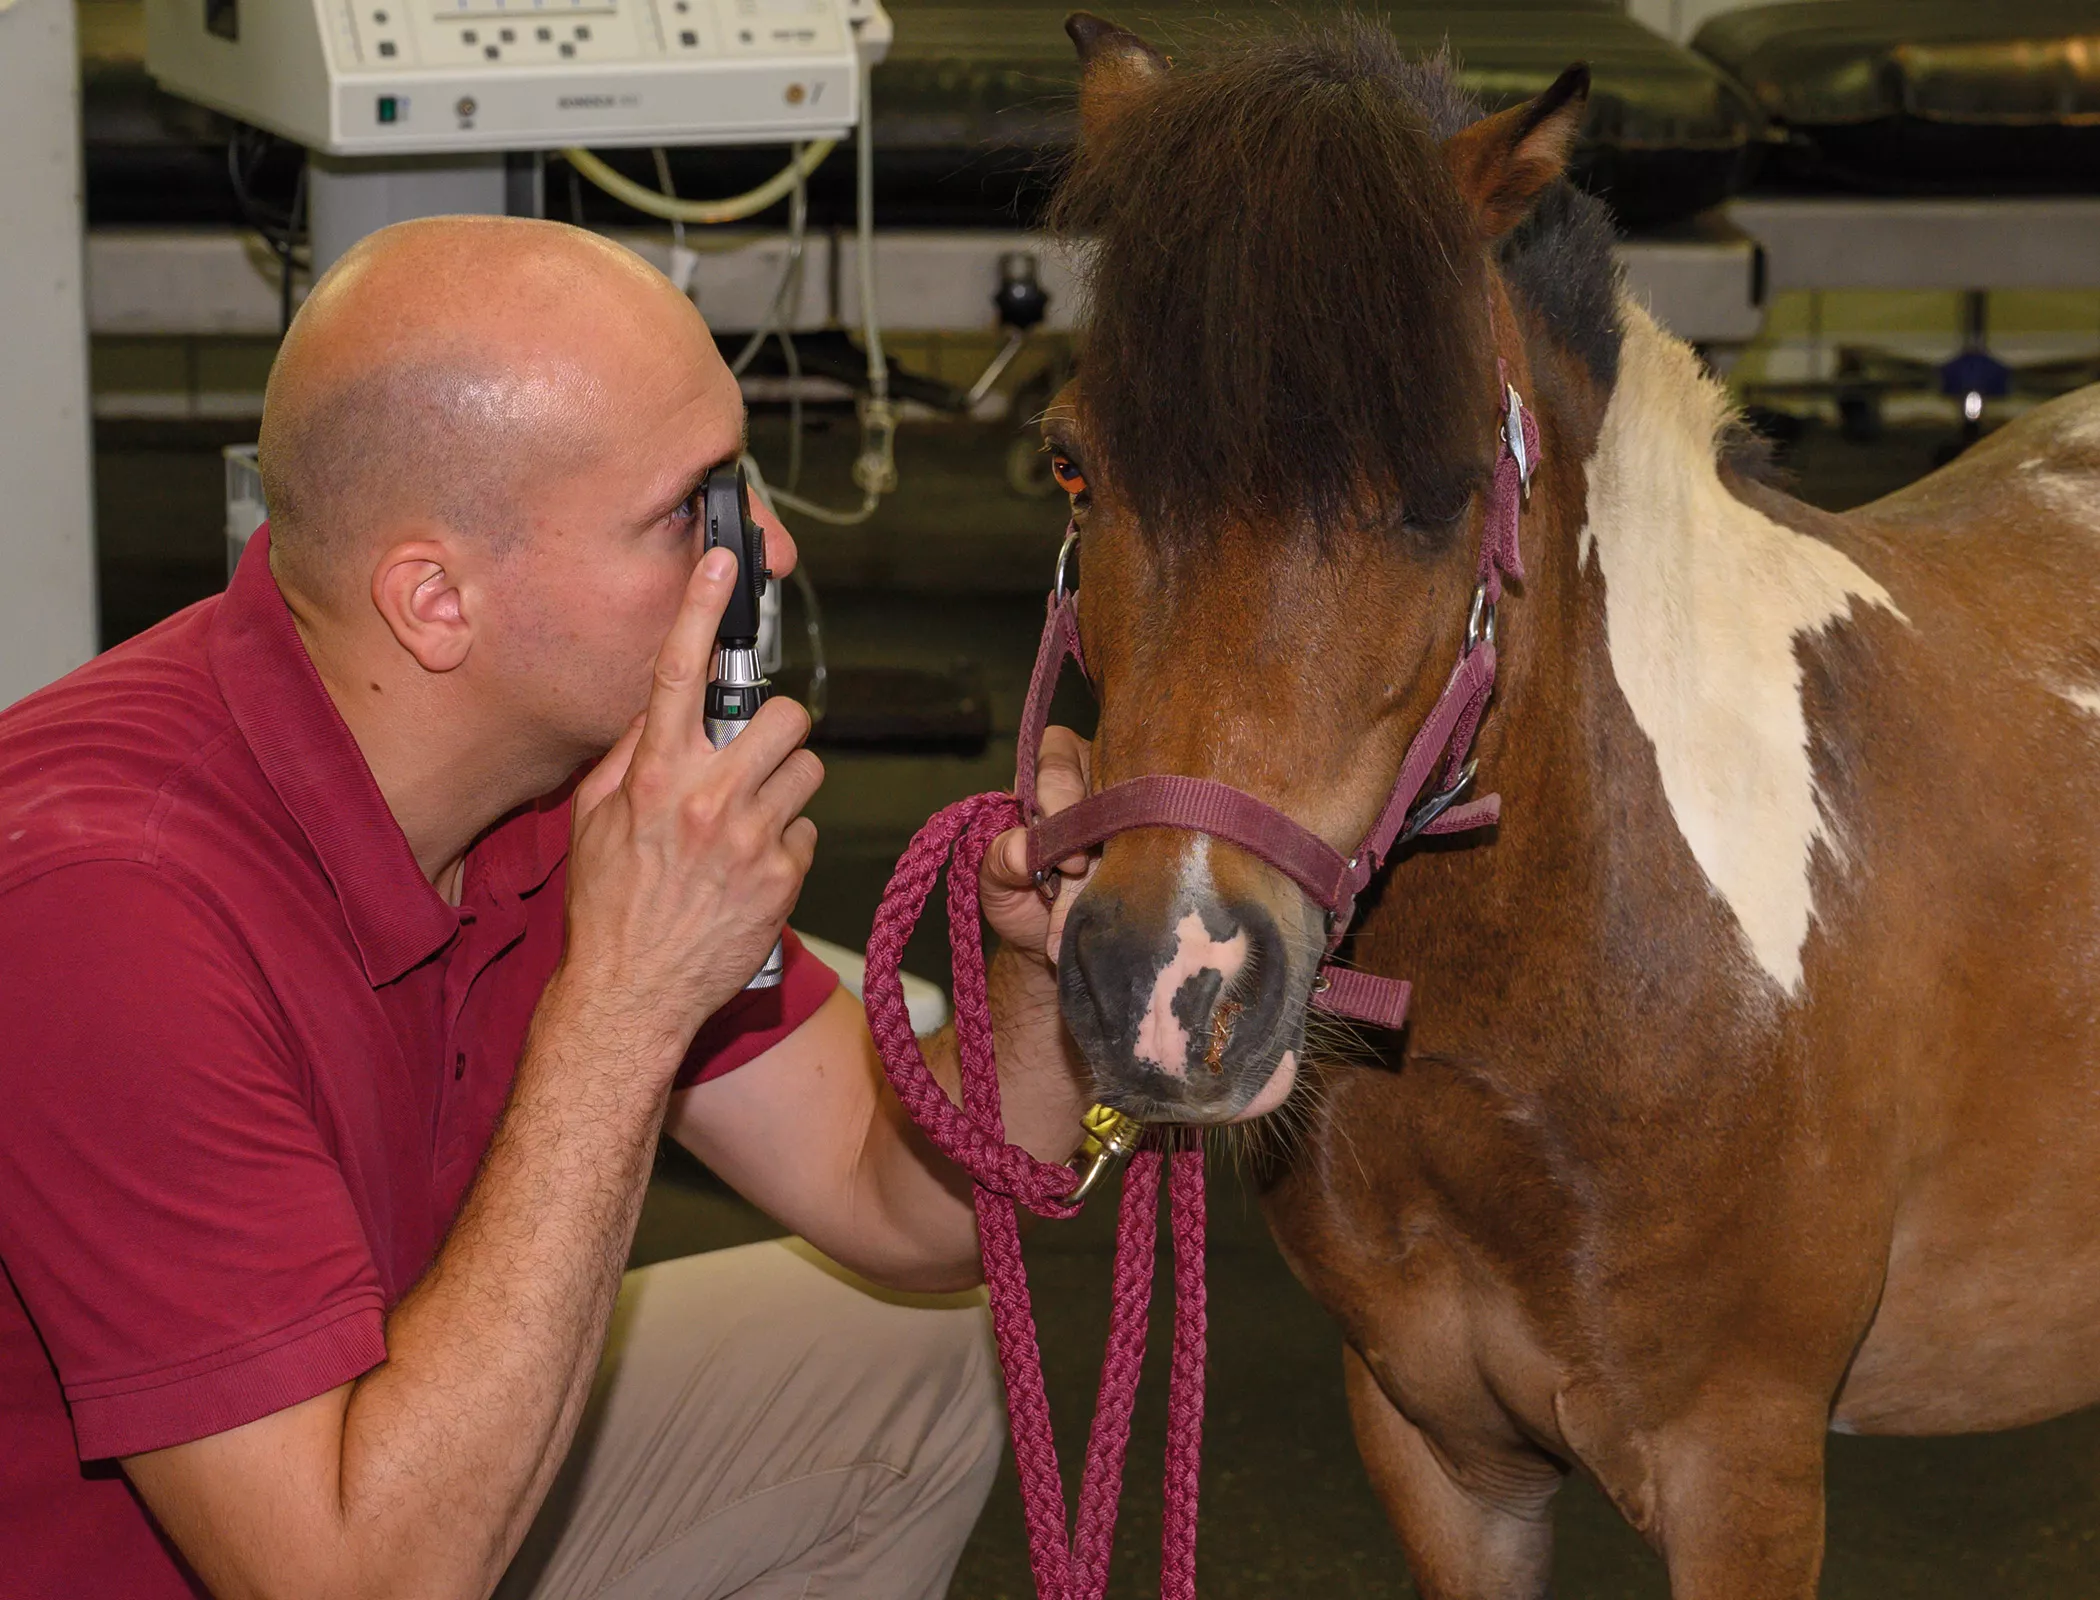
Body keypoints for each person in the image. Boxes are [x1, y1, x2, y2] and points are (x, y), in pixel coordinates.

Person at [0, 215, 1096, 1600]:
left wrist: (1040, 972)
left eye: (740, 484)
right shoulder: (102, 913)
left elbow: (908, 1208)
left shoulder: (575, 787)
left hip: (394, 1467)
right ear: (437, 602)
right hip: (313, 1560)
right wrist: (628, 1004)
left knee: (909, 1363)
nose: (763, 551)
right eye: (687, 513)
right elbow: (353, 1586)